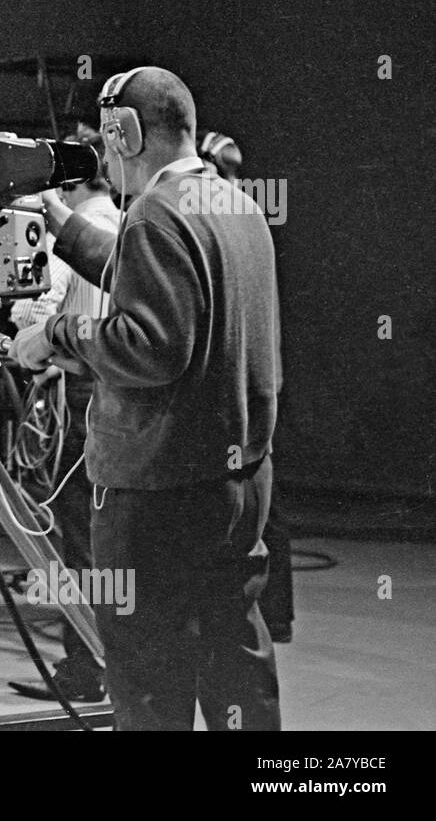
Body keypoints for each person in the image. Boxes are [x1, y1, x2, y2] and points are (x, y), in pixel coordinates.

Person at [11, 66, 282, 730]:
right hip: (238, 480)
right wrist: (67, 228)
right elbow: (155, 276)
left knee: (150, 678)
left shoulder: (155, 215)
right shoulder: (230, 203)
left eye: (107, 140)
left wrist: (53, 334)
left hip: (159, 492)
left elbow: (151, 345)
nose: (104, 155)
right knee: (234, 659)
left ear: (123, 133)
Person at [6, 123, 120, 703]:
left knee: (79, 542)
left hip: (85, 398)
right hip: (99, 395)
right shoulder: (118, 222)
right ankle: (97, 662)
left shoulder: (83, 233)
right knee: (93, 540)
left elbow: (49, 320)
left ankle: (86, 668)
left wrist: (31, 336)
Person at [199, 128, 294, 643]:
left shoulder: (225, 217)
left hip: (246, 380)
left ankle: (267, 614)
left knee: (257, 513)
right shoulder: (249, 216)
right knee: (266, 506)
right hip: (265, 378)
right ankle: (275, 616)